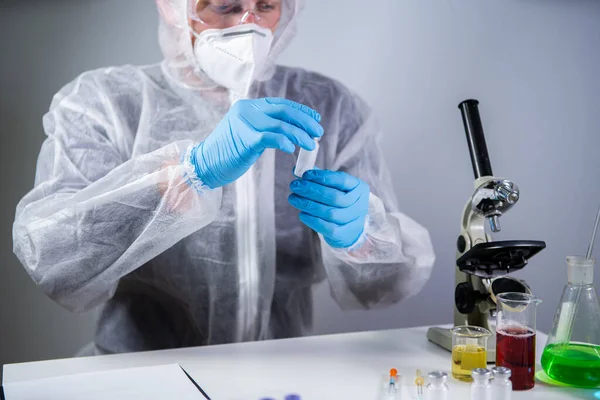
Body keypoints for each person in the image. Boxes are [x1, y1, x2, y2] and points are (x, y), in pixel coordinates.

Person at [13, 0, 435, 356]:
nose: (247, 23)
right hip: (140, 374)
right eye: (226, 6)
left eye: (266, 5)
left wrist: (362, 237)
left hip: (279, 369)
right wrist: (186, 176)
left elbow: (387, 285)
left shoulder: (331, 106)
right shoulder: (104, 104)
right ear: (171, 7)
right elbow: (53, 260)